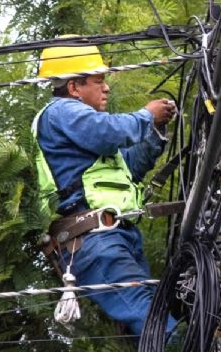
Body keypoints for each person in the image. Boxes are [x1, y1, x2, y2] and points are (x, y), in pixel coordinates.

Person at [32, 42, 177, 336]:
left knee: (152, 309)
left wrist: (156, 131)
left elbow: (130, 167)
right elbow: (109, 132)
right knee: (148, 314)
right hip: (92, 237)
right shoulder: (60, 112)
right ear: (74, 87)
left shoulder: (87, 140)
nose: (106, 88)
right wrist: (146, 116)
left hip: (116, 234)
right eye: (99, 81)